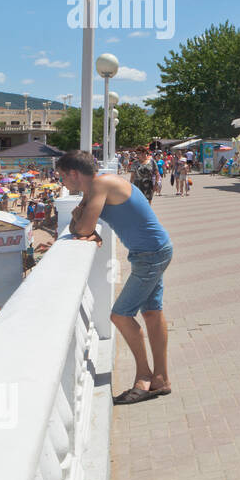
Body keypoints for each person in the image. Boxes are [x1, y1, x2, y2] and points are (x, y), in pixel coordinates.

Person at [52, 149, 174, 404]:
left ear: (74, 173)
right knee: (152, 313)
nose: (61, 181)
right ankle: (161, 379)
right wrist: (79, 219)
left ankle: (144, 375)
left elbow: (83, 227)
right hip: (153, 250)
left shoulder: (101, 184)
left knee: (120, 314)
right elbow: (79, 225)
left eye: (63, 176)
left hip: (150, 254)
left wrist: (80, 218)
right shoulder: (98, 186)